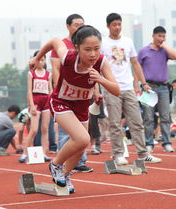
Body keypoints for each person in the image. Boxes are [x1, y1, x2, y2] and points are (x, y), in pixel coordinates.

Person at [29, 25, 120, 193]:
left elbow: (116, 90)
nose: (93, 54)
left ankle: (65, 174)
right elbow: (54, 41)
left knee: (80, 146)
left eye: (96, 49)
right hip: (61, 102)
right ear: (76, 48)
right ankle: (55, 165)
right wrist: (38, 58)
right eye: (87, 50)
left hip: (81, 107)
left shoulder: (101, 62)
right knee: (83, 139)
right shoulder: (67, 58)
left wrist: (101, 79)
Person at [101, 13, 162, 165]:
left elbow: (135, 63)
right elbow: (99, 66)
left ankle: (143, 153)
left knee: (137, 121)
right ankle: (118, 154)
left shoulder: (128, 42)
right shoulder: (103, 44)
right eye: (114, 24)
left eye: (119, 24)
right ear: (108, 26)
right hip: (112, 88)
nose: (117, 27)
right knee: (115, 123)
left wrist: (143, 82)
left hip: (128, 87)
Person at [51, 14, 93, 173]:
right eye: (76, 24)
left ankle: (77, 163)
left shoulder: (88, 45)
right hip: (64, 96)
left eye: (82, 24)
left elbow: (92, 71)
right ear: (68, 26)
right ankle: (59, 166)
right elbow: (56, 69)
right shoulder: (64, 45)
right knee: (66, 134)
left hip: (81, 96)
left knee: (83, 136)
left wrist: (95, 90)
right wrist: (58, 89)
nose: (79, 27)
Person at [137, 26, 176, 153]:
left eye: (163, 36)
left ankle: (166, 142)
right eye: (159, 36)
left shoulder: (164, 51)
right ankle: (149, 143)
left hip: (164, 88)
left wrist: (164, 46)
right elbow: (137, 69)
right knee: (148, 117)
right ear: (153, 36)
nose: (161, 39)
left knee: (165, 116)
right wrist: (140, 85)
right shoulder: (143, 51)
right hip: (148, 87)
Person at [19, 51, 52, 163]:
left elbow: (50, 90)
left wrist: (52, 104)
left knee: (45, 129)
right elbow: (29, 91)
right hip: (36, 102)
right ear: (35, 60)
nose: (41, 62)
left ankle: (44, 153)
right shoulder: (31, 73)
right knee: (33, 130)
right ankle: (24, 153)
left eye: (43, 60)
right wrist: (31, 105)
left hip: (46, 101)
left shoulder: (48, 74)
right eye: (39, 59)